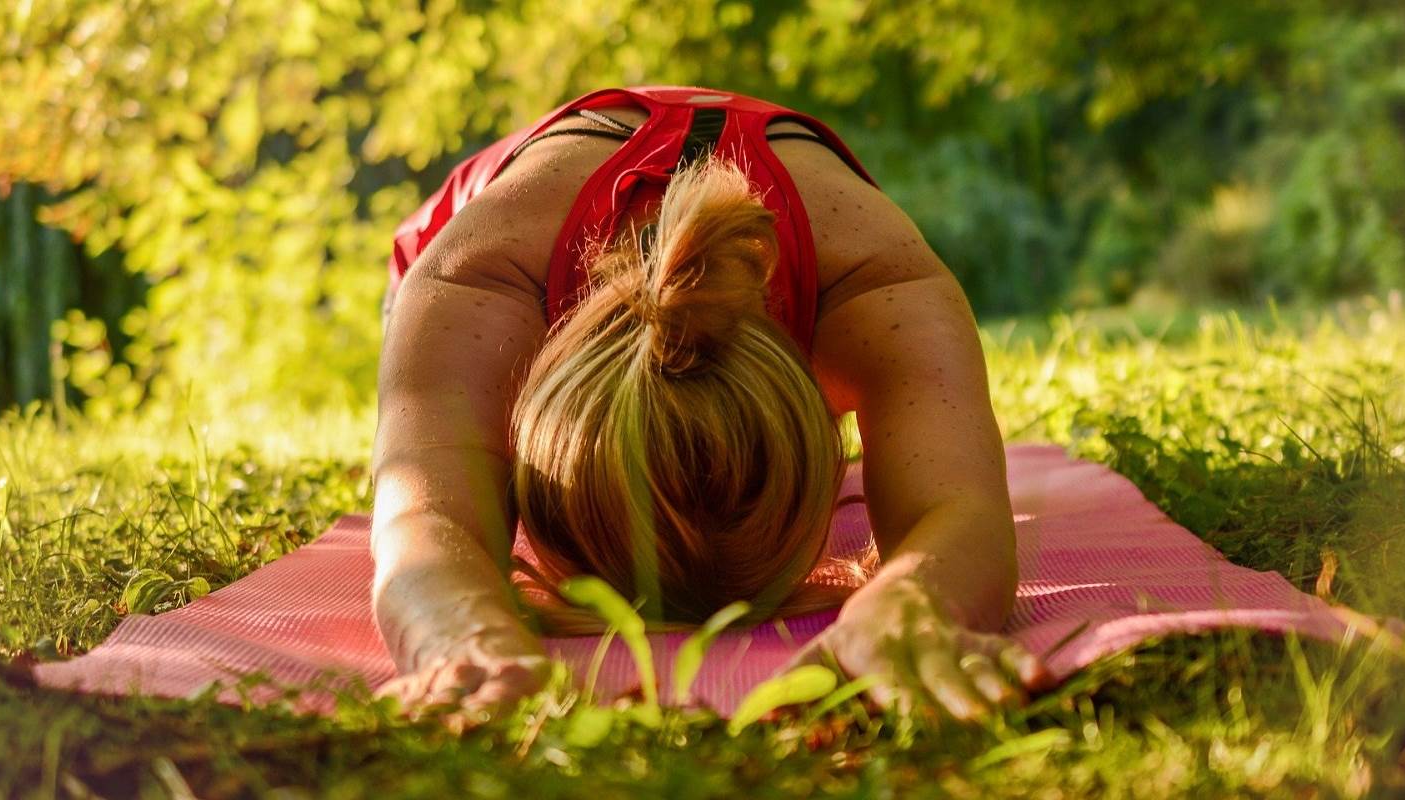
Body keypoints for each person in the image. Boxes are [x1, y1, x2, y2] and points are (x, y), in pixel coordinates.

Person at [371, 86, 1051, 722]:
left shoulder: (877, 284)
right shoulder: (478, 278)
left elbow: (961, 512)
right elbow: (421, 516)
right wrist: (460, 631)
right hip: (492, 223)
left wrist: (915, 605)